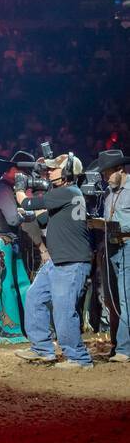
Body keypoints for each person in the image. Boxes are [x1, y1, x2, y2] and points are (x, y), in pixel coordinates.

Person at [14, 153, 94, 369]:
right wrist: (32, 212)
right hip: (59, 261)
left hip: (70, 262)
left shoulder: (68, 191)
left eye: (54, 169)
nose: (49, 172)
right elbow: (43, 218)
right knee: (34, 297)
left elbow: (28, 202)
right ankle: (42, 349)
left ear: (68, 172)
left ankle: (78, 358)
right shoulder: (66, 194)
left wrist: (20, 190)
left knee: (64, 310)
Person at [0, 151, 36, 342]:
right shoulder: (2, 189)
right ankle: (9, 328)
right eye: (24, 172)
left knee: (21, 284)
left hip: (8, 241)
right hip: (1, 243)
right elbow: (13, 218)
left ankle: (23, 326)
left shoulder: (5, 188)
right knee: (7, 285)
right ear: (13, 170)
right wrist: (30, 214)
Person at [93, 148, 129, 362]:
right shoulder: (108, 194)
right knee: (112, 300)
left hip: (127, 246)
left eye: (108, 172)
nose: (105, 177)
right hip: (112, 248)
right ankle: (117, 344)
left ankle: (125, 348)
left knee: (125, 299)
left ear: (120, 169)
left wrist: (118, 225)